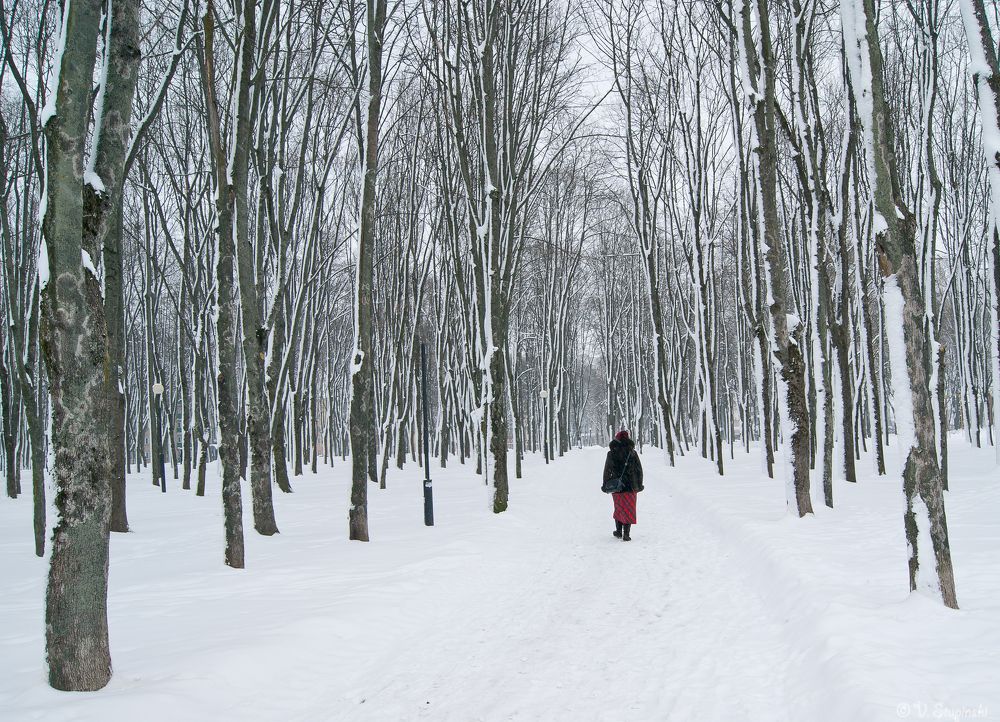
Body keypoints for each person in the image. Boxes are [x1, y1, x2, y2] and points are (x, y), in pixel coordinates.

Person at [603, 429, 643, 541]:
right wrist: (639, 484)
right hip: (631, 486)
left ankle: (618, 531)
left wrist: (605, 484)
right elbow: (639, 470)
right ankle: (627, 534)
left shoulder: (612, 453)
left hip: (617, 486)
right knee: (629, 509)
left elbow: (607, 470)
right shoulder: (632, 453)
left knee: (619, 508)